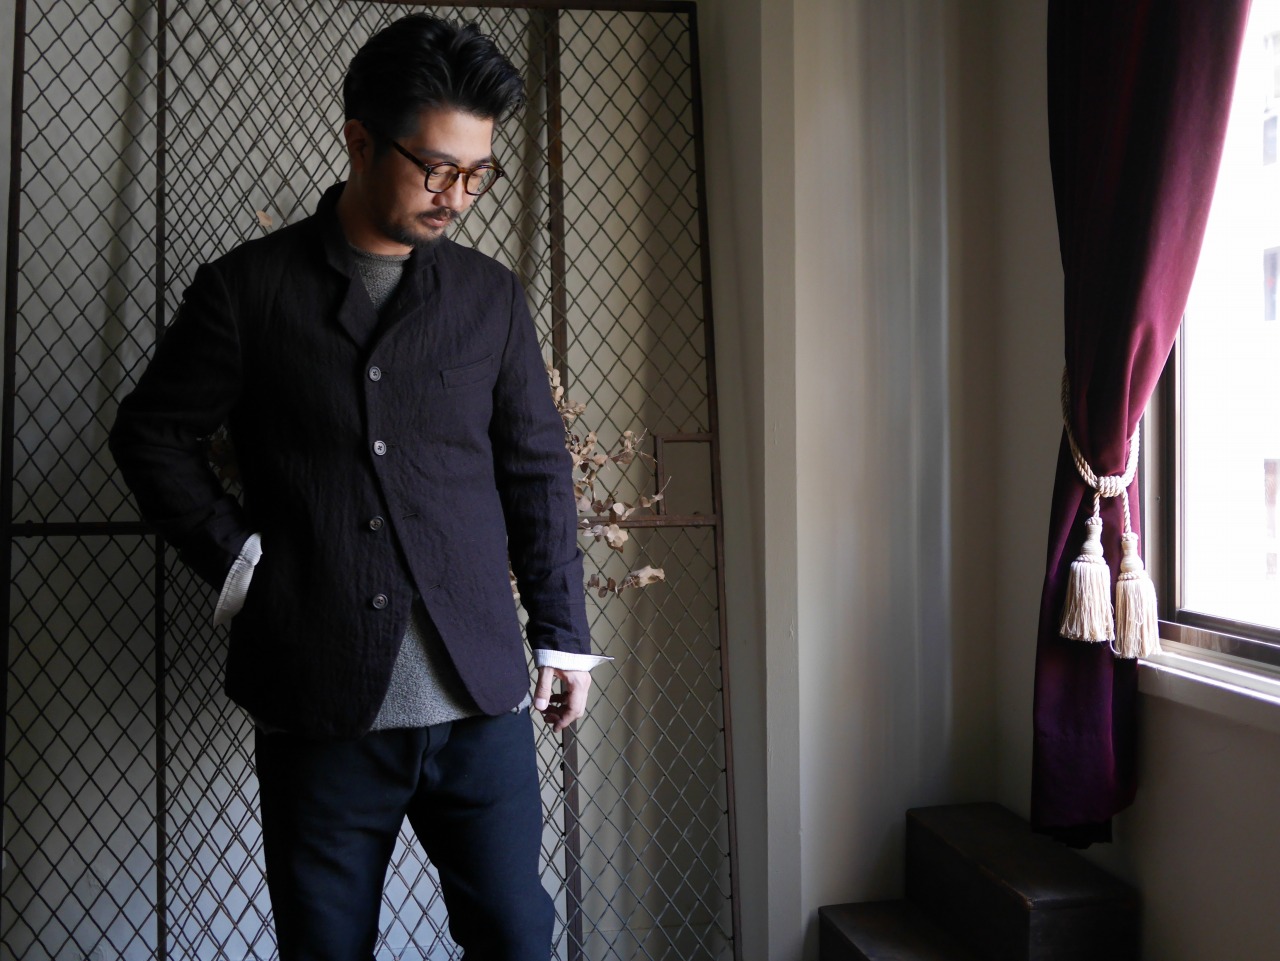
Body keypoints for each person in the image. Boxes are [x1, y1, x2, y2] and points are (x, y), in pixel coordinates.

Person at [109, 14, 605, 960]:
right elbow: (150, 434)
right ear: (361, 142)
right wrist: (241, 563)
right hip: (317, 700)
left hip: (479, 703)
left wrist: (562, 634)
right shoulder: (247, 290)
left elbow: (535, 467)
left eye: (479, 174)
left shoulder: (490, 297)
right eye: (437, 169)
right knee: (326, 947)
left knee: (517, 937)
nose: (458, 197)